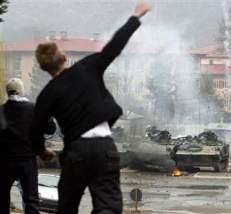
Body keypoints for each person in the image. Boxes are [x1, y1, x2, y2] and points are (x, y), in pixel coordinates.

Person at [30, 2, 152, 214]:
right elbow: (115, 46)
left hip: (76, 153)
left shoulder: (47, 93)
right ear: (65, 58)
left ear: (43, 68)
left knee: (67, 206)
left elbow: (34, 131)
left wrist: (43, 152)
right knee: (108, 207)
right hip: (105, 148)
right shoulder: (89, 67)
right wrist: (135, 16)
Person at [0, 78, 56, 214]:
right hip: (28, 161)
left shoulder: (1, 111)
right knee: (31, 198)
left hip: (5, 161)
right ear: (23, 91)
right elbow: (51, 128)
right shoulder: (34, 109)